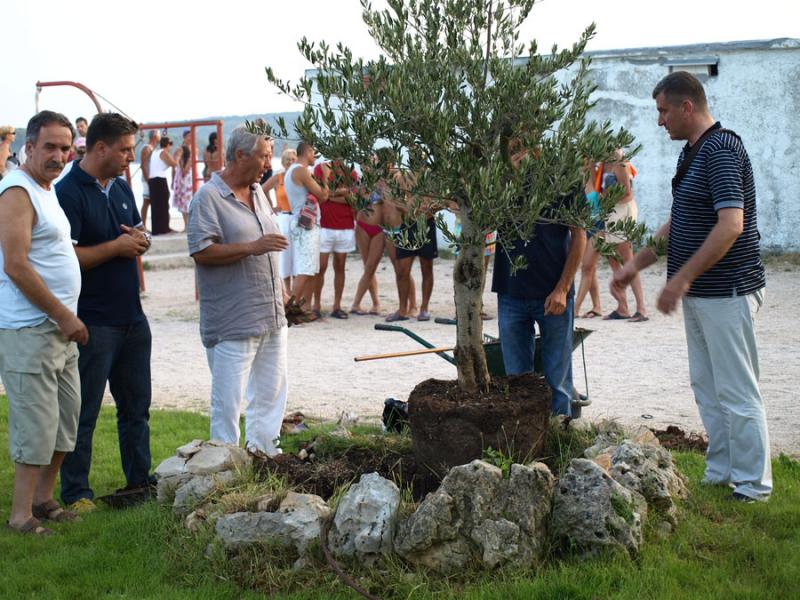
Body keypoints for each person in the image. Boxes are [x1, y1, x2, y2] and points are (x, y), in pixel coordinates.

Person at [614, 71, 771, 502]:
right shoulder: (692, 154)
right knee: (707, 386)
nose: (660, 121)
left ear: (687, 107)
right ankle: (722, 471)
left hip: (729, 291)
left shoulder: (721, 149)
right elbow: (676, 224)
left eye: (664, 111)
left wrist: (680, 279)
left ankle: (754, 487)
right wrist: (635, 266)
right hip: (703, 295)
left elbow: (730, 226)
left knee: (738, 391)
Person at [55, 113, 155, 511]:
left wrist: (141, 239)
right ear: (100, 148)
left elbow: (134, 230)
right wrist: (115, 248)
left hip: (132, 317)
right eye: (125, 150)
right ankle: (76, 493)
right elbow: (66, 259)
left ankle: (139, 484)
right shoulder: (68, 193)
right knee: (83, 413)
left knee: (137, 410)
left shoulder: (120, 187)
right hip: (93, 320)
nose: (131, 157)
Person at [0, 110, 87, 535]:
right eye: (49, 146)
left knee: (64, 419)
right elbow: (16, 266)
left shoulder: (46, 188)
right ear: (29, 147)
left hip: (57, 330)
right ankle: (20, 516)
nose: (58, 155)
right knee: (35, 425)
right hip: (29, 328)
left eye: (64, 148)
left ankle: (44, 498)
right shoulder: (17, 191)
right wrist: (63, 315)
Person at [187, 127, 289, 455]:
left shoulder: (258, 191)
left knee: (271, 395)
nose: (267, 164)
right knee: (228, 403)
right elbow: (202, 252)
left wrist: (285, 296)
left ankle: (265, 455)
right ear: (241, 155)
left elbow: (269, 250)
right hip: (233, 320)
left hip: (271, 315)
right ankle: (223, 468)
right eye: (262, 156)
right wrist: (252, 247)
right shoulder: (208, 197)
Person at [492, 142, 586, 416]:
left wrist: (562, 289)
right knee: (517, 382)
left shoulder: (562, 174)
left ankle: (560, 441)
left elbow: (579, 236)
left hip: (552, 292)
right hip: (510, 293)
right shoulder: (499, 176)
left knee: (558, 383)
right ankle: (524, 445)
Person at [576, 154, 648, 322]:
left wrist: (605, 198)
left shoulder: (620, 163)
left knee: (628, 261)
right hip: (608, 212)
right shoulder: (601, 164)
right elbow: (594, 188)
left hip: (622, 212)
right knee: (613, 260)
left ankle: (641, 309)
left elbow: (627, 192)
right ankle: (622, 307)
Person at [283, 142, 330, 318]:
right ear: (307, 151)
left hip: (303, 223)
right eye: (314, 153)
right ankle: (290, 310)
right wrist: (325, 177)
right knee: (304, 269)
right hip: (305, 225)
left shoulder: (293, 171)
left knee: (309, 268)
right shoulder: (301, 171)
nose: (315, 157)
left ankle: (303, 309)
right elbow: (323, 195)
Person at [312, 160, 357, 319]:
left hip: (345, 226)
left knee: (340, 266)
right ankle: (316, 305)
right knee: (321, 267)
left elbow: (353, 199)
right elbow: (319, 195)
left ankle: (336, 306)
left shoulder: (350, 171)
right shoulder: (320, 169)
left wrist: (330, 194)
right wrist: (341, 193)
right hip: (324, 225)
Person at [262, 148, 297, 291]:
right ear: (283, 162)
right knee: (285, 258)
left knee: (298, 258)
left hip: (299, 219)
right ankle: (286, 294)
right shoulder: (279, 177)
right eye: (287, 159)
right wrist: (272, 208)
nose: (290, 162)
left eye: (293, 159)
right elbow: (261, 189)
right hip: (283, 219)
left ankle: (297, 296)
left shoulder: (299, 177)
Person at [148, 135, 178, 235]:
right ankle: (164, 229)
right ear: (167, 145)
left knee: (156, 206)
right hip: (159, 179)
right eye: (171, 144)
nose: (171, 147)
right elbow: (174, 163)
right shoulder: (164, 152)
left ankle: (156, 229)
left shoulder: (155, 152)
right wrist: (177, 156)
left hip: (152, 180)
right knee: (164, 205)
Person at [139, 130, 160, 230]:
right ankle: (143, 225)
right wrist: (148, 180)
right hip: (147, 179)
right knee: (146, 201)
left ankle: (153, 225)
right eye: (159, 134)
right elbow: (143, 165)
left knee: (152, 201)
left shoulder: (153, 148)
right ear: (155, 136)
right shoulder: (147, 148)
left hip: (152, 178)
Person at [172, 136, 193, 229]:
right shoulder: (181, 160)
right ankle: (186, 226)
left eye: (180, 153)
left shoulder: (189, 159)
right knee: (182, 206)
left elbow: (185, 171)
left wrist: (180, 162)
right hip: (181, 184)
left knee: (187, 204)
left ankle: (188, 226)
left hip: (187, 184)